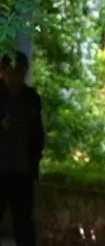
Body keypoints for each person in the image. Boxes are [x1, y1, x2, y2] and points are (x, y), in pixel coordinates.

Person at [0, 50, 44, 246]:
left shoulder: (31, 98)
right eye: (13, 71)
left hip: (23, 169)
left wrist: (35, 159)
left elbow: (38, 134)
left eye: (21, 72)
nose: (17, 77)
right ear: (3, 71)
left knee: (24, 222)